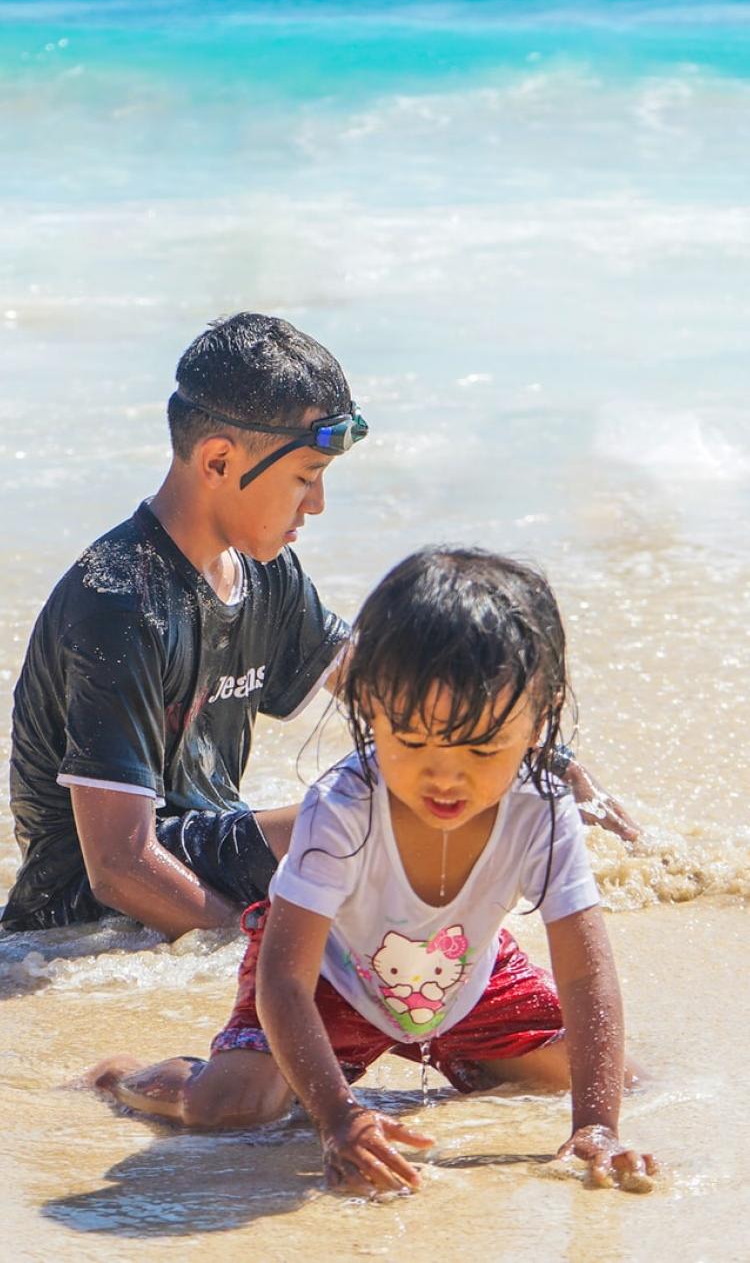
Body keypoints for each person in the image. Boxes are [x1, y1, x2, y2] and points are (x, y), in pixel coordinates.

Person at [2, 312, 637, 937]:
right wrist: (252, 950)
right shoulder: (119, 603)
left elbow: (393, 689)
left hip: (211, 855)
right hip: (82, 912)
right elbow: (116, 867)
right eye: (306, 477)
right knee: (373, 805)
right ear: (218, 461)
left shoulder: (265, 574)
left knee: (439, 782)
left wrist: (544, 761)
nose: (318, 503)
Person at [89, 548, 656, 1195]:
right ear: (371, 708)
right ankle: (126, 1076)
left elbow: (588, 976)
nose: (445, 775)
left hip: (458, 966)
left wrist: (597, 1125)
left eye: (481, 747)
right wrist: (338, 1119)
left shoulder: (542, 812)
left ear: (540, 717)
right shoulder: (344, 807)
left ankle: (461, 1058)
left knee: (616, 1075)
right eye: (412, 741)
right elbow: (283, 979)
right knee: (231, 1108)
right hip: (329, 972)